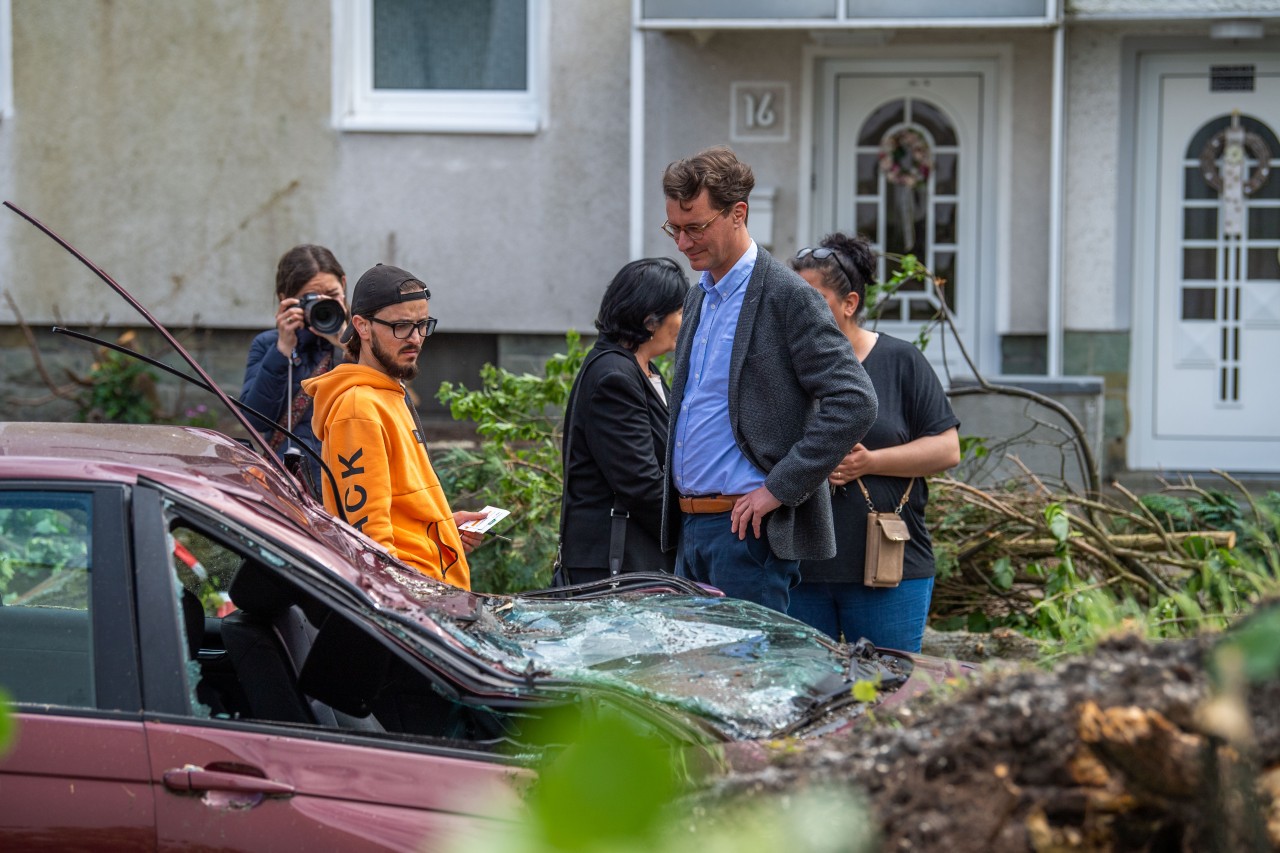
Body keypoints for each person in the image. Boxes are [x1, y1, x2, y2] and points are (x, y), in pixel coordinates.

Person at [659, 145, 878, 613]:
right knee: (694, 683)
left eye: (695, 227)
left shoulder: (788, 296)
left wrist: (779, 488)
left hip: (747, 534)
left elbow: (855, 399)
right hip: (690, 531)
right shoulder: (699, 296)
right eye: (673, 229)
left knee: (745, 681)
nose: (682, 243)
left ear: (738, 213)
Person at [787, 233, 960, 652]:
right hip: (798, 567)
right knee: (804, 699)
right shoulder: (784, 367)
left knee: (889, 694)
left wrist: (870, 461)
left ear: (849, 304)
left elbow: (946, 449)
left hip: (886, 567)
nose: (797, 312)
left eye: (813, 299)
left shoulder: (900, 362)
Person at [302, 264, 485, 591]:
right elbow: (368, 544)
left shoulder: (388, 394)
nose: (415, 338)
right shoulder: (358, 409)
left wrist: (442, 526)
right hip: (414, 608)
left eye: (421, 325)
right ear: (362, 326)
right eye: (401, 326)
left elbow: (397, 510)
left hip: (433, 598)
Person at [558, 258, 689, 585]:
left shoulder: (642, 370)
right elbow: (641, 483)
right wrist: (697, 525)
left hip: (636, 558)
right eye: (680, 311)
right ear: (650, 321)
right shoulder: (613, 376)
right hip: (616, 566)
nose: (685, 321)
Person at [241, 245, 348, 494]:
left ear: (344, 284)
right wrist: (282, 351)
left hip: (349, 479)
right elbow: (255, 419)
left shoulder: (363, 341)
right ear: (285, 299)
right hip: (292, 485)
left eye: (332, 294)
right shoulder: (268, 345)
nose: (324, 306)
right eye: (311, 299)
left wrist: (346, 344)